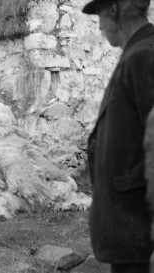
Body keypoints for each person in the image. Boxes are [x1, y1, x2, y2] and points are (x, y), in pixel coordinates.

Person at [83, 0, 154, 272]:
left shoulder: (144, 56)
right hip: (130, 235)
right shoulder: (135, 53)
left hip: (138, 234)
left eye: (99, 14)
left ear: (113, 10)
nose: (99, 25)